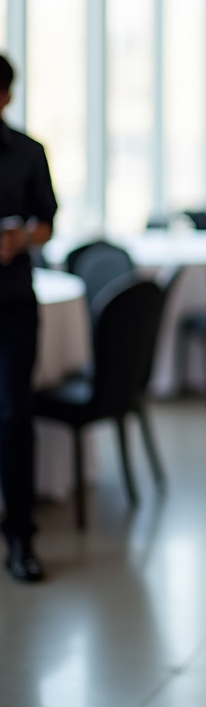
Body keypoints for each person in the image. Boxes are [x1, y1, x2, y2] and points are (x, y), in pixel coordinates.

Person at [0, 53, 56, 583]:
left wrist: (23, 239)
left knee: (17, 416)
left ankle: (21, 537)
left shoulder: (28, 152)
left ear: (6, 96)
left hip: (14, 300)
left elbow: (48, 222)